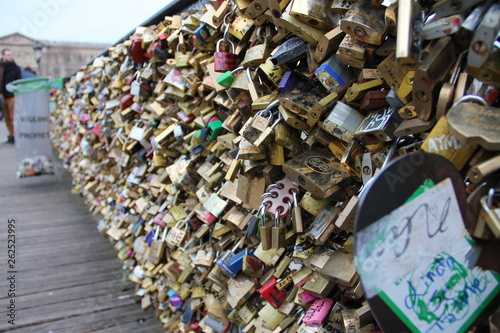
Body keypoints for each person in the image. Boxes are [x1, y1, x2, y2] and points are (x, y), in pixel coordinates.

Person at [0, 49, 22, 144]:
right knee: (6, 118)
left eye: (10, 55)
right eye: (8, 55)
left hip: (12, 95)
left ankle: (14, 136)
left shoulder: (15, 68)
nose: (10, 57)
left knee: (12, 117)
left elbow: (19, 81)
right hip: (2, 96)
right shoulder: (1, 68)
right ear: (3, 56)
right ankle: (11, 135)